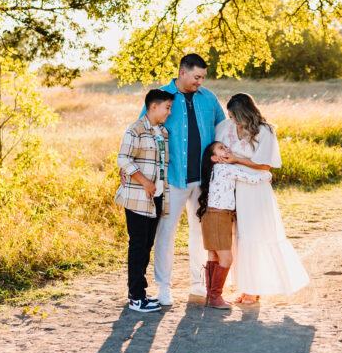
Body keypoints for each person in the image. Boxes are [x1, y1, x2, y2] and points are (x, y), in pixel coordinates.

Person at [137, 53, 227, 306]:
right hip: (172, 179)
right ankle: (163, 287)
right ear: (182, 72)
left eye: (202, 78)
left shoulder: (208, 98)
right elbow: (142, 129)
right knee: (166, 233)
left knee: (201, 233)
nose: (200, 82)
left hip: (204, 179)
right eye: (196, 77)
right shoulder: (161, 97)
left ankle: (199, 282)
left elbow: (223, 129)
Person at [215, 92, 310, 303]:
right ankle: (245, 287)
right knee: (237, 237)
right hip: (232, 188)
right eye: (231, 116)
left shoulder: (264, 131)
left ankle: (254, 288)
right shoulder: (226, 128)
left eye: (236, 117)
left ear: (246, 113)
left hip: (255, 189)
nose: (233, 121)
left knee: (254, 235)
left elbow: (264, 164)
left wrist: (237, 159)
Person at [115, 89, 174, 313]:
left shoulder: (162, 132)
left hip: (156, 198)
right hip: (138, 197)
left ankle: (141, 292)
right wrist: (144, 182)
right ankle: (135, 297)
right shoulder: (135, 130)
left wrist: (156, 187)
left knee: (147, 245)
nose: (169, 112)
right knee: (138, 245)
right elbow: (123, 158)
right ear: (154, 107)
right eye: (167, 108)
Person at [196, 141, 273, 309]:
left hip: (213, 215)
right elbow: (252, 178)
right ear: (215, 158)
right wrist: (268, 174)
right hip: (218, 217)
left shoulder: (215, 171)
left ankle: (212, 297)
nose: (227, 149)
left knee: (213, 256)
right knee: (226, 258)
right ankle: (215, 296)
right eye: (221, 148)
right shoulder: (225, 169)